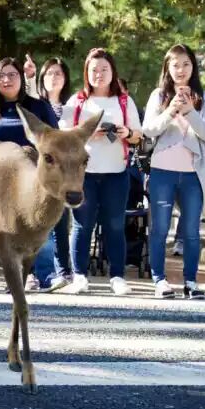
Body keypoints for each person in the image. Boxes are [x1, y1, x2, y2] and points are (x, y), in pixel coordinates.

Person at [0, 58, 62, 291]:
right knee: (9, 231)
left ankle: (46, 275)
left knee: (41, 225)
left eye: (12, 74)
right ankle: (20, 277)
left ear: (21, 78)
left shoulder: (38, 107)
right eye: (1, 76)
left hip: (35, 179)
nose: (6, 79)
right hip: (0, 182)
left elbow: (56, 139)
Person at [60, 48, 143, 296]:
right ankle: (79, 276)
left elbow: (139, 136)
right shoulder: (77, 101)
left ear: (112, 72)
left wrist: (127, 133)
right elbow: (62, 135)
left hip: (116, 172)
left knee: (115, 225)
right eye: (94, 69)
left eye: (104, 69)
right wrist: (86, 132)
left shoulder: (124, 101)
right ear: (86, 72)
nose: (99, 74)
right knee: (82, 225)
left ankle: (117, 276)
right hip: (82, 175)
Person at [141, 44, 205, 299]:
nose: (181, 70)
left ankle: (191, 281)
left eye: (186, 64)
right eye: (175, 65)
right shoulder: (158, 95)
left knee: (191, 231)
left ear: (193, 66)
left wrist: (191, 112)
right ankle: (159, 280)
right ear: (167, 68)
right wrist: (171, 110)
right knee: (160, 229)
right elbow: (149, 130)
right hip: (162, 171)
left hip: (193, 174)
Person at [33, 57, 74, 291]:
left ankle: (63, 269)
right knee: (41, 221)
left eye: (58, 73)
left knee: (61, 221)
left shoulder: (72, 105)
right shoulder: (36, 104)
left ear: (65, 78)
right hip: (41, 171)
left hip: (65, 174)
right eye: (49, 73)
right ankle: (39, 271)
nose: (54, 77)